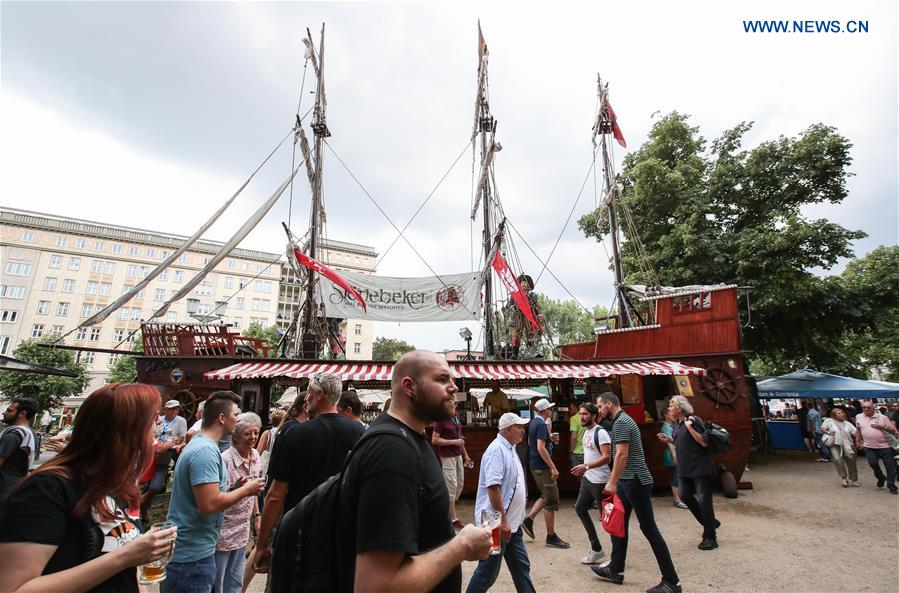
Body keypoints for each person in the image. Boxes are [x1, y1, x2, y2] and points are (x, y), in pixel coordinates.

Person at [340, 350, 492, 593]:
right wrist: (461, 546)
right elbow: (375, 587)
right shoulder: (392, 451)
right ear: (409, 387)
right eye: (442, 379)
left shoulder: (409, 439)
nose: (454, 387)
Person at [0, 384, 178, 593]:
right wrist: (126, 557)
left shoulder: (105, 485)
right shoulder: (48, 488)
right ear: (126, 431)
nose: (157, 428)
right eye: (153, 422)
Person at [253, 373, 365, 573]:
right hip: (341, 536)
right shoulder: (361, 434)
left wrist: (262, 545)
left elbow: (276, 495)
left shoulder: (294, 434)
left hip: (300, 535)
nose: (306, 398)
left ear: (320, 394)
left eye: (309, 393)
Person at [163, 391, 265, 593]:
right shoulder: (206, 452)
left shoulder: (202, 446)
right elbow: (209, 505)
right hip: (192, 558)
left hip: (193, 553)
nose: (238, 419)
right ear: (222, 418)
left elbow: (203, 496)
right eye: (236, 414)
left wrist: (233, 489)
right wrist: (246, 490)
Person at [592, 392, 681, 593]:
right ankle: (615, 568)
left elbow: (622, 455)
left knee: (649, 529)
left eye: (599, 406)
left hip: (636, 481)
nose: (598, 410)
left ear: (608, 404)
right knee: (619, 524)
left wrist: (611, 482)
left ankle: (672, 582)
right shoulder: (620, 421)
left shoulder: (622, 422)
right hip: (628, 480)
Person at [466, 412, 535, 593]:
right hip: (496, 523)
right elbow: (493, 487)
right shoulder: (497, 450)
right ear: (508, 429)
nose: (523, 430)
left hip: (511, 523)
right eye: (519, 427)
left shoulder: (509, 448)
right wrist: (503, 521)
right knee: (487, 572)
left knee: (521, 566)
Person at [661, 396, 719, 550]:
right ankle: (710, 522)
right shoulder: (676, 424)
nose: (668, 409)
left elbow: (704, 442)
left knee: (704, 502)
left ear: (679, 408)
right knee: (685, 496)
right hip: (684, 469)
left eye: (671, 406)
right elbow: (681, 441)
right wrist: (669, 439)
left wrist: (690, 428)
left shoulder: (693, 420)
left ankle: (710, 538)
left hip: (700, 468)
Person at [214, 413, 262, 593]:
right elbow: (214, 496)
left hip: (242, 528)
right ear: (236, 436)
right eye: (247, 433)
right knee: (218, 581)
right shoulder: (225, 459)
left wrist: (257, 515)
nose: (253, 437)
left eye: (256, 432)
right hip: (223, 529)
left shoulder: (255, 455)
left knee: (235, 580)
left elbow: (253, 490)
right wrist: (234, 488)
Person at [521, 398, 569, 548]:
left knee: (546, 494)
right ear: (544, 410)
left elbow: (531, 443)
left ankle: (529, 520)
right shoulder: (541, 424)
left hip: (535, 463)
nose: (551, 410)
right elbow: (540, 447)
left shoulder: (533, 423)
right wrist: (553, 467)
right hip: (541, 465)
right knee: (551, 500)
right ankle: (551, 536)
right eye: (549, 408)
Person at [570, 402, 611, 564]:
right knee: (580, 509)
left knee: (608, 520)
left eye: (585, 414)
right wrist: (585, 469)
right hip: (588, 479)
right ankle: (596, 548)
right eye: (580, 414)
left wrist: (586, 466)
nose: (582, 417)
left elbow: (607, 457)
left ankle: (616, 557)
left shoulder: (601, 432)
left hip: (601, 481)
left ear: (594, 416)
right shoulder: (587, 431)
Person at [141, 398, 188, 523]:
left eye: (176, 409)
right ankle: (143, 514)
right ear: (166, 409)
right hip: (151, 457)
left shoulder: (181, 421)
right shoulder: (158, 420)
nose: (174, 411)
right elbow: (154, 441)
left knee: (155, 487)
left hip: (164, 457)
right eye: (172, 409)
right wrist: (170, 442)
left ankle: (139, 505)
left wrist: (171, 443)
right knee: (146, 486)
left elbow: (182, 439)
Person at [432, 399, 472, 530]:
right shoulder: (441, 419)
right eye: (453, 403)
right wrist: (453, 442)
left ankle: (447, 511)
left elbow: (459, 438)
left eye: (456, 403)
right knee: (451, 486)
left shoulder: (456, 417)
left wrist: (465, 454)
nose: (455, 405)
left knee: (459, 484)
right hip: (447, 456)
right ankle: (453, 518)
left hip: (457, 454)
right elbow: (434, 439)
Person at [854, 399, 898, 494]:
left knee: (890, 466)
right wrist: (857, 441)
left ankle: (891, 486)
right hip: (869, 446)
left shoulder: (883, 417)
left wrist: (881, 427)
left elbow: (892, 430)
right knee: (873, 463)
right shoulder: (859, 417)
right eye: (864, 407)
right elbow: (858, 429)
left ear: (874, 408)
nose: (866, 409)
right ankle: (881, 477)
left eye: (868, 407)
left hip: (885, 446)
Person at [0, 398, 37, 496]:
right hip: (16, 489)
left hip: (3, 488)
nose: (4, 413)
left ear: (22, 413)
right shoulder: (31, 434)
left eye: (9, 410)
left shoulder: (13, 434)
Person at [821, 408, 859, 487]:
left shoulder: (848, 423)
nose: (841, 414)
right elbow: (823, 429)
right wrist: (829, 432)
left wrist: (859, 437)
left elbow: (855, 433)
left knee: (851, 461)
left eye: (842, 412)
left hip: (848, 445)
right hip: (835, 444)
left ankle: (854, 479)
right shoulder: (829, 421)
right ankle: (844, 478)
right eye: (839, 413)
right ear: (834, 415)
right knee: (837, 460)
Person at [659, 407, 687, 509]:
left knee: (677, 475)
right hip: (672, 453)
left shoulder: (671, 425)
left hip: (675, 453)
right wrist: (674, 455)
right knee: (676, 476)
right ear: (666, 415)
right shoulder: (666, 427)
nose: (673, 415)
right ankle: (677, 499)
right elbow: (669, 443)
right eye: (671, 414)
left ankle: (679, 498)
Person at [256, 409, 286, 479]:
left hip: (266, 469)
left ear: (272, 420)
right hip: (279, 469)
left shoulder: (268, 433)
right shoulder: (286, 433)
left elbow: (258, 453)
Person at [568, 402, 586, 477]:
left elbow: (574, 437)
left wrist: (571, 450)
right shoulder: (588, 417)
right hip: (587, 452)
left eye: (570, 408)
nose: (569, 410)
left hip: (577, 452)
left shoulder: (574, 418)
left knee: (578, 476)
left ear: (576, 407)